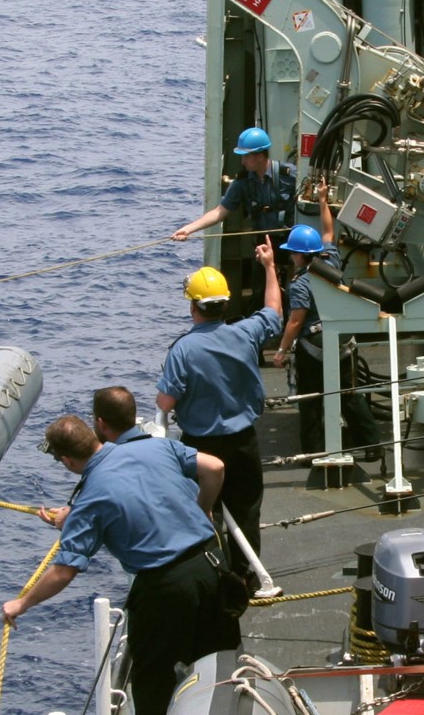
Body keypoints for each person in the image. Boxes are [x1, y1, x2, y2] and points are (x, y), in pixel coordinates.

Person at [8, 414, 236, 715]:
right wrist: (205, 509)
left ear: (66, 460)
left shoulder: (92, 496)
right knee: (220, 665)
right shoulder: (153, 446)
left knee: (153, 685)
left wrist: (21, 603)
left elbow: (64, 571)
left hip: (165, 588)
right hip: (214, 567)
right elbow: (214, 467)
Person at [157, 240, 283, 570]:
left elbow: (166, 400)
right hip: (244, 443)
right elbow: (273, 312)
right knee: (246, 512)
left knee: (203, 513)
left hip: (201, 448)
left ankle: (213, 575)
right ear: (225, 303)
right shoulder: (246, 333)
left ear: (193, 307)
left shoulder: (183, 350)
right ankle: (245, 577)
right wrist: (270, 267)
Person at [273, 181, 384, 459]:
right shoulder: (330, 259)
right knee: (349, 396)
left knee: (310, 400)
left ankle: (312, 453)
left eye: (292, 252)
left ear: (299, 255)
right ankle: (372, 447)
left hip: (316, 347)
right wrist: (323, 201)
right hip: (343, 340)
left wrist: (281, 350)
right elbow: (328, 231)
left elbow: (296, 322)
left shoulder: (300, 285)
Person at [171, 127, 298, 243]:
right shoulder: (242, 182)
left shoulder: (289, 174)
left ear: (260, 156)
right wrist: (188, 229)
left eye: (246, 157)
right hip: (263, 244)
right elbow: (219, 212)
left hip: (291, 242)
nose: (243, 162)